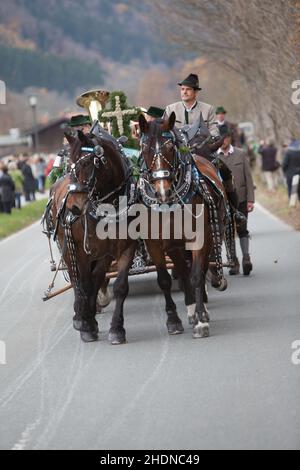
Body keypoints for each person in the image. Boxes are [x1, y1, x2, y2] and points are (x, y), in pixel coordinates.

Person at [217, 128, 255, 276]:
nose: (222, 142)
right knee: (227, 231)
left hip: (241, 199)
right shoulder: (215, 156)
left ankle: (246, 258)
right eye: (219, 139)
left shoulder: (240, 153)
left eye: (224, 138)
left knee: (242, 228)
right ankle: (233, 261)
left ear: (229, 138)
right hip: (223, 201)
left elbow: (249, 177)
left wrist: (250, 199)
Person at [164, 73, 219, 138]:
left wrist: (204, 138)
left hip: (200, 146)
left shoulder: (208, 109)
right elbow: (165, 131)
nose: (184, 92)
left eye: (188, 89)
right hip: (176, 146)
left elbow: (214, 131)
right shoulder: (170, 109)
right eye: (182, 89)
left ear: (196, 92)